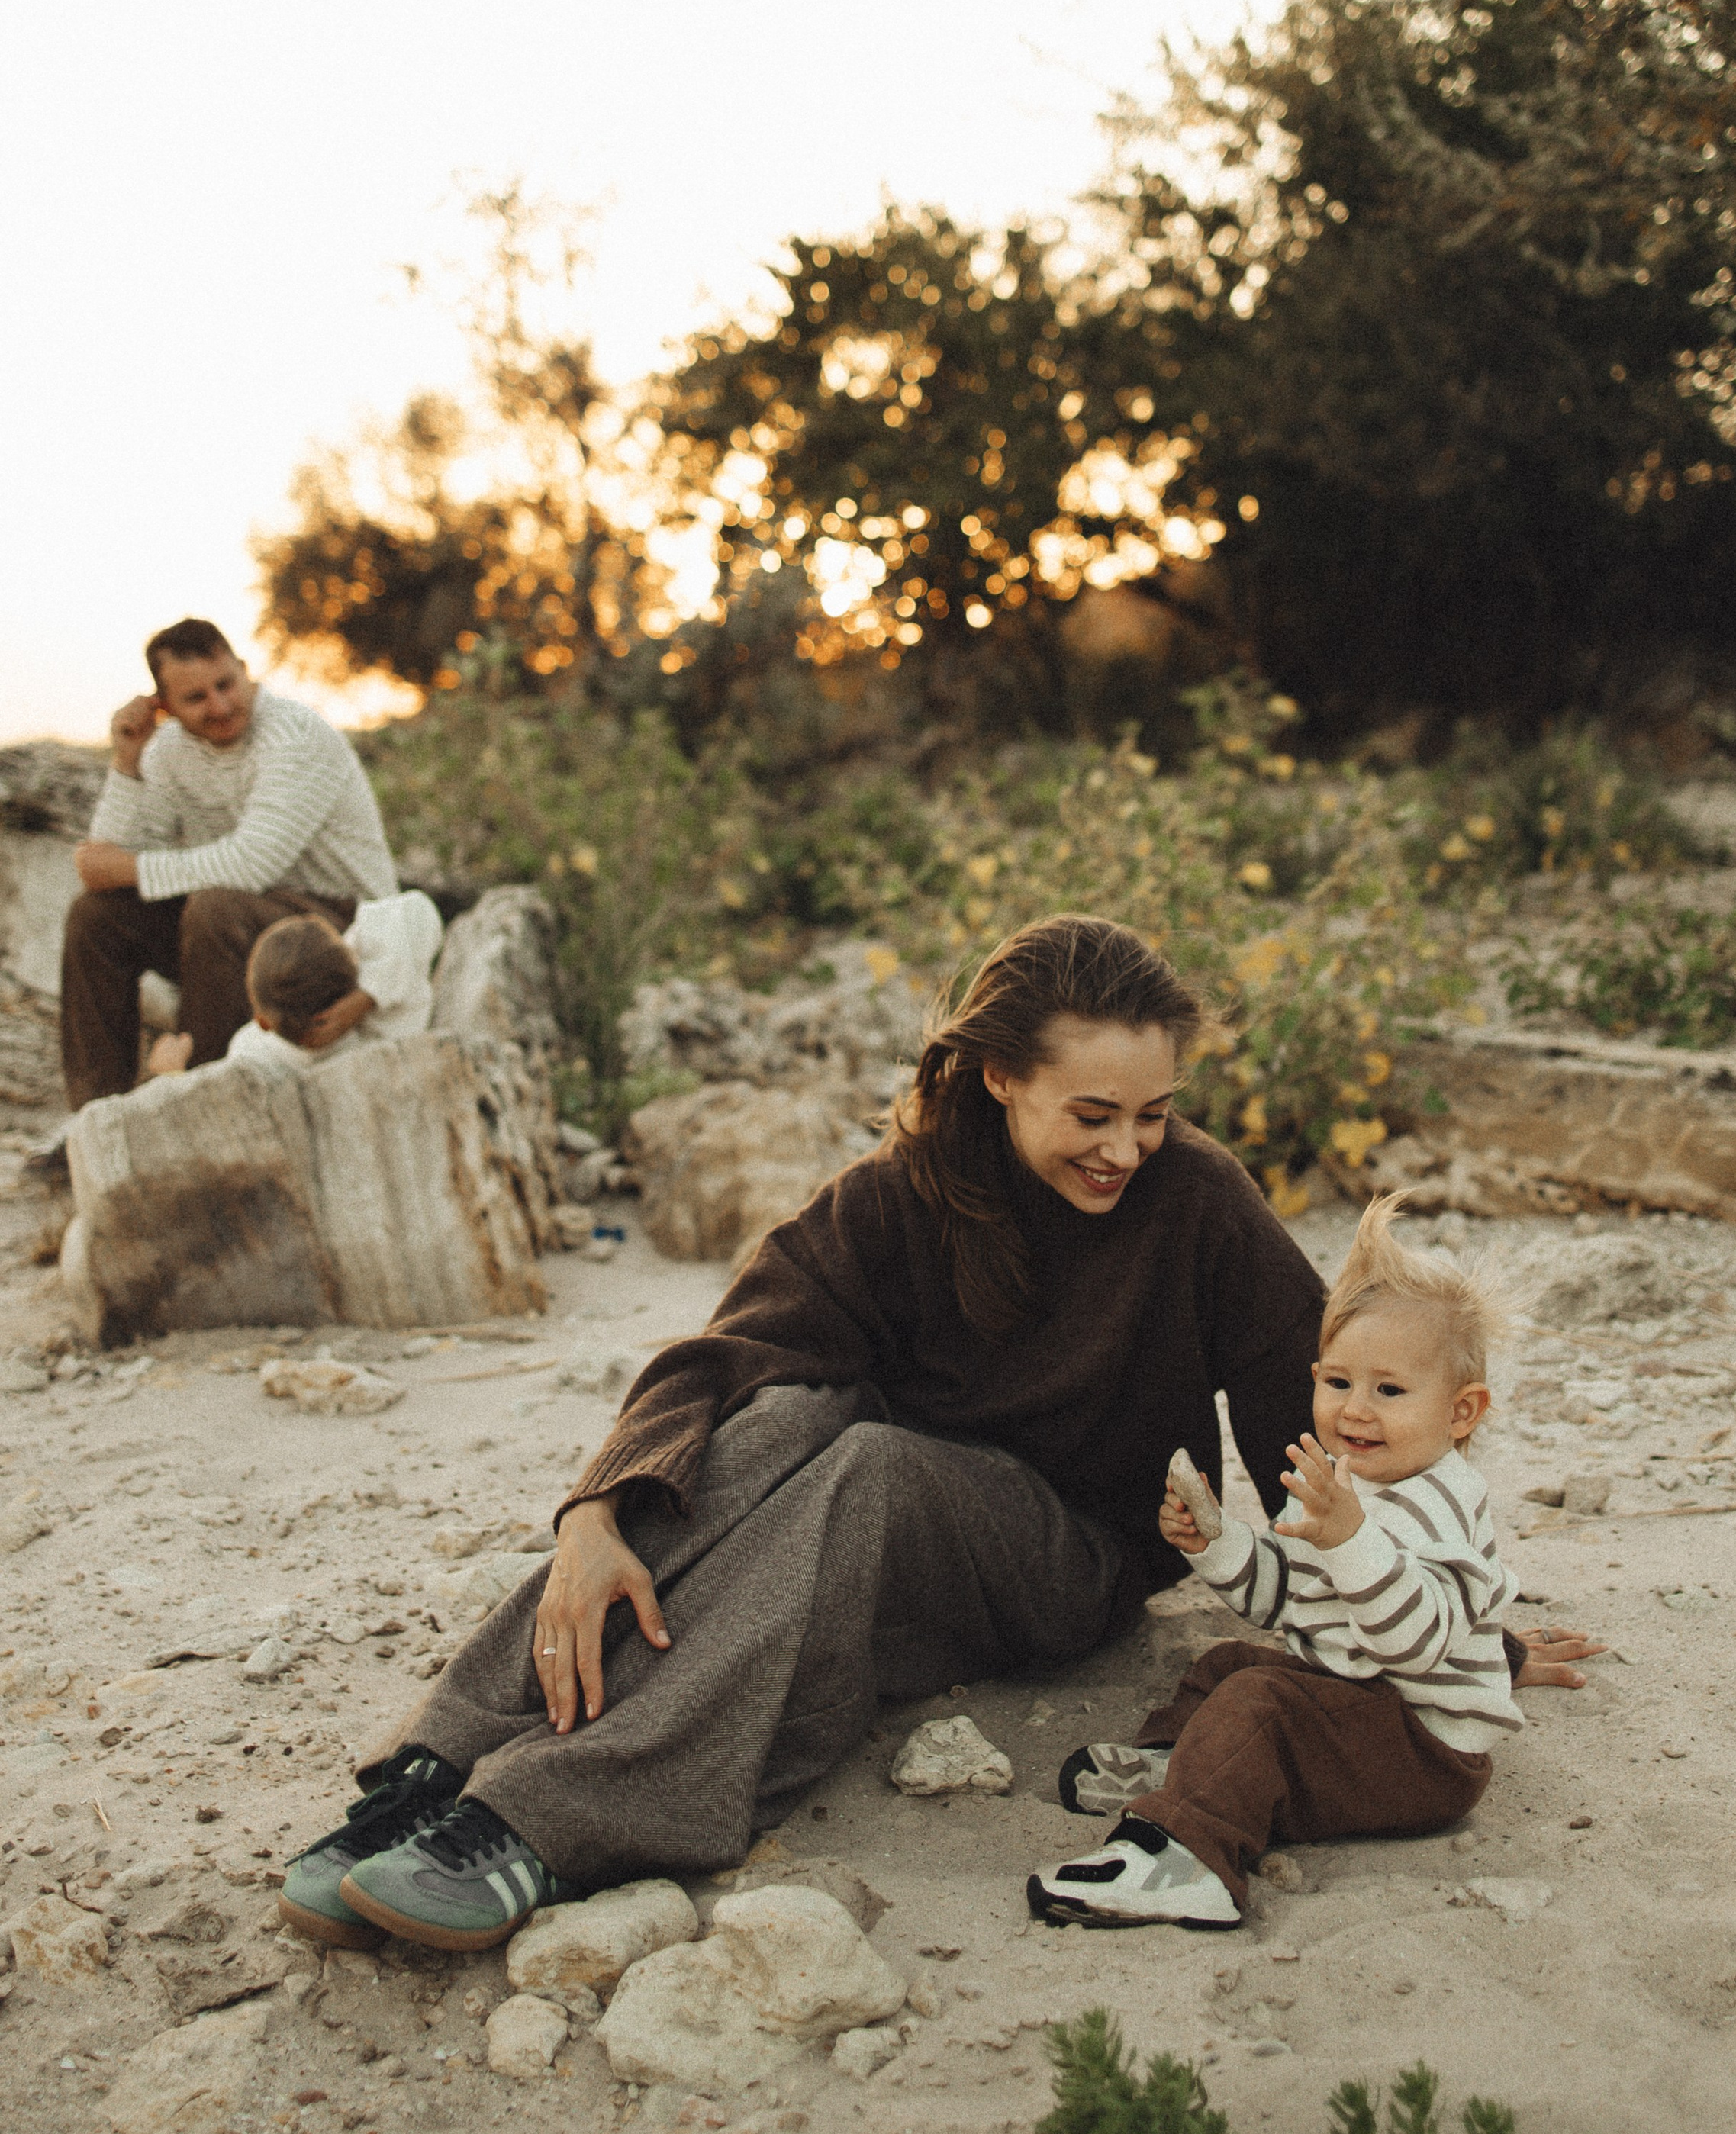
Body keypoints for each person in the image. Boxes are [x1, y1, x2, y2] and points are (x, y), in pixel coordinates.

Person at [275, 914, 1333, 1954]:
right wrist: (595, 1518)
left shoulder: (1194, 1199)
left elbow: (1318, 1408)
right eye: (1095, 1115)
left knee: (872, 1461)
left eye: (1152, 1114)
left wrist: (1426, 1598)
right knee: (785, 1411)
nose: (1126, 1149)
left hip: (1073, 1558)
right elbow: (726, 1355)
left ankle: (552, 1819)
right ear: (1002, 1077)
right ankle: (444, 1762)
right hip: (885, 1549)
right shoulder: (906, 1191)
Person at [1027, 1191, 1573, 1930]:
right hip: (1364, 1706)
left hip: (1423, 1751)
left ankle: (1188, 1857)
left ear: (1460, 1412)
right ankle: (1182, 1766)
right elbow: (1283, 1599)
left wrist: (1348, 1539)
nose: (1354, 1409)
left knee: (1262, 1706)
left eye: (1389, 1390)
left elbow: (1416, 1640)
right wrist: (1216, 1544)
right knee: (1229, 1667)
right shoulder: (1344, 1484)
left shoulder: (1441, 1500)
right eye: (1338, 1382)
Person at [60, 619, 400, 1115]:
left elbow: (250, 865)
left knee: (215, 908)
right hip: (243, 926)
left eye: (226, 685)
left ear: (244, 671)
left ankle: (199, 1104)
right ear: (165, 706)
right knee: (97, 916)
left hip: (346, 931)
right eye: (195, 698)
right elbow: (105, 862)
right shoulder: (170, 752)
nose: (219, 706)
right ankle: (96, 1117)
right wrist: (128, 761)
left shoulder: (294, 734)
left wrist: (126, 868)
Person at [143, 891, 446, 1080]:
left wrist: (169, 1076)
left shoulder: (257, 1056)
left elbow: (213, 1111)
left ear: (262, 1020)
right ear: (352, 956)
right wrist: (368, 996)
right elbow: (419, 910)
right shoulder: (391, 1016)